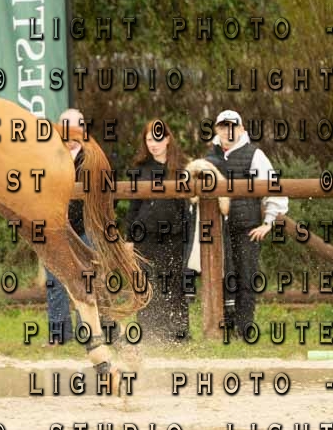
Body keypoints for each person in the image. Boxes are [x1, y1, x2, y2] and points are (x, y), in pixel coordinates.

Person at [204, 110, 289, 333]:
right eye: (223, 126)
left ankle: (244, 328)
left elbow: (274, 187)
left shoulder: (255, 155)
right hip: (216, 229)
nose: (228, 131)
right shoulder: (209, 157)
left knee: (245, 277)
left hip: (246, 227)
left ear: (241, 129)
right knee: (220, 276)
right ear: (217, 129)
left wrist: (268, 223)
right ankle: (222, 327)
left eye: (232, 126)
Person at [123, 119, 193, 343]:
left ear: (167, 139)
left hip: (174, 235)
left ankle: (178, 333)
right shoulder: (140, 168)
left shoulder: (183, 167)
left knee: (174, 282)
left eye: (157, 139)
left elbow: (189, 205)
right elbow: (133, 206)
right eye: (149, 139)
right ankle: (149, 333)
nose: (153, 144)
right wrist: (129, 238)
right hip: (145, 235)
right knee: (146, 283)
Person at [44, 107, 88, 344]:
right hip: (54, 230)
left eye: (74, 128)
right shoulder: (48, 154)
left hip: (85, 231)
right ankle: (59, 334)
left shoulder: (92, 157)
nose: (69, 134)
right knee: (55, 282)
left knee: (85, 281)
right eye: (65, 128)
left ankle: (87, 332)